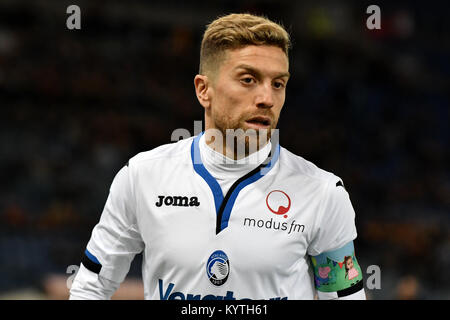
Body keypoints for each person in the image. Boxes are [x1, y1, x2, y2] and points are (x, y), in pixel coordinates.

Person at [69, 13, 366, 300]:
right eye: (249, 79)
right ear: (203, 90)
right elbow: (91, 287)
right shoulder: (142, 177)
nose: (267, 98)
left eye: (278, 84)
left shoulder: (323, 193)